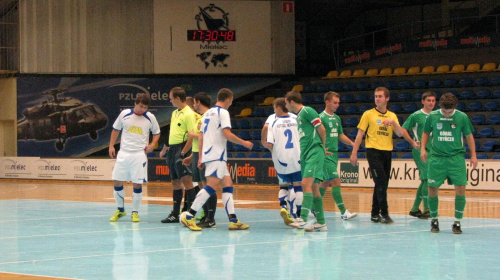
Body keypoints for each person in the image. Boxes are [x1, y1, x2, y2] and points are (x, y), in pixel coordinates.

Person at [180, 88, 253, 231]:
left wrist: (201, 157)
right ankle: (189, 216)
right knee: (211, 186)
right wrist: (244, 142)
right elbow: (227, 133)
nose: (230, 105)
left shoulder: (207, 114)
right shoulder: (223, 112)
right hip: (217, 155)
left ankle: (233, 219)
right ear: (228, 100)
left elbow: (201, 136)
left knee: (228, 185)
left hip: (210, 155)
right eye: (231, 102)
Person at [350, 87, 419, 224]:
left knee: (382, 184)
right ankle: (384, 213)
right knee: (380, 181)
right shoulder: (368, 114)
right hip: (373, 151)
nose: (377, 99)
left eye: (380, 96)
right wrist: (354, 153)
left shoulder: (392, 116)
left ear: (387, 98)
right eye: (376, 96)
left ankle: (374, 213)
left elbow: (400, 133)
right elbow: (360, 135)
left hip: (387, 152)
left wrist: (410, 141)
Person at [420, 93, 478, 234]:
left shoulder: (462, 117)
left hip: (456, 158)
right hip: (437, 158)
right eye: (445, 111)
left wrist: (474, 155)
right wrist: (423, 148)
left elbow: (469, 136)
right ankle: (434, 220)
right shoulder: (432, 116)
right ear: (440, 107)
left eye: (450, 112)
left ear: (454, 108)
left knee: (460, 189)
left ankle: (457, 222)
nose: (447, 114)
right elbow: (426, 132)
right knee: (432, 188)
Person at [109, 93, 160, 222]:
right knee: (117, 181)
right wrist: (111, 146)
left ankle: (135, 212)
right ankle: (120, 210)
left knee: (137, 184)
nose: (142, 109)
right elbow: (115, 130)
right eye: (140, 106)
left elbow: (157, 133)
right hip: (124, 153)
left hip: (139, 155)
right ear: (135, 104)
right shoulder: (125, 114)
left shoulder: (150, 117)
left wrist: (152, 144)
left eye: (145, 107)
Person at [285, 91, 328, 232]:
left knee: (305, 184)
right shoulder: (298, 117)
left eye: (286, 103)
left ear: (292, 102)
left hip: (314, 152)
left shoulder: (308, 111)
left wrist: (322, 147)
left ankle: (302, 219)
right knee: (314, 188)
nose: (285, 106)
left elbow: (322, 129)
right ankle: (321, 222)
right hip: (306, 154)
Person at [159, 87, 197, 223]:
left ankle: (189, 214)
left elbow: (192, 136)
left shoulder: (189, 114)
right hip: (173, 149)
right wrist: (167, 148)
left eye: (171, 98)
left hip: (182, 148)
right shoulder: (174, 113)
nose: (170, 100)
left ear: (177, 98)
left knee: (187, 181)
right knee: (174, 181)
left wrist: (182, 152)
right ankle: (175, 213)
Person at [318, 91, 357, 220]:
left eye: (338, 103)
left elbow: (340, 135)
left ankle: (314, 207)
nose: (337, 105)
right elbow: (317, 136)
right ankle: (343, 212)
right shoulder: (320, 118)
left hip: (334, 154)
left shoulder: (337, 118)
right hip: (326, 154)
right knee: (336, 181)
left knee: (324, 183)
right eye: (335, 103)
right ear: (327, 102)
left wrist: (351, 143)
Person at [182, 92, 218, 228]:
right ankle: (205, 216)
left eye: (195, 102)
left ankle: (211, 217)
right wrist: (192, 156)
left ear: (198, 102)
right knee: (201, 186)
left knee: (207, 186)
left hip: (206, 155)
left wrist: (192, 134)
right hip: (198, 153)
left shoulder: (207, 117)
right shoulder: (201, 118)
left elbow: (207, 136)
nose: (194, 105)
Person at [266, 97, 303, 226]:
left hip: (282, 161)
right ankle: (298, 216)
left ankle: (283, 206)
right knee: (298, 187)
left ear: (279, 108)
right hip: (297, 158)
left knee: (284, 186)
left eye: (274, 109)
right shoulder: (296, 119)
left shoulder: (274, 123)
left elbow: (269, 144)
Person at [402, 91, 437, 219]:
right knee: (428, 178)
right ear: (423, 101)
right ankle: (427, 208)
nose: (431, 103)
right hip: (420, 150)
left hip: (432, 151)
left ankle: (415, 209)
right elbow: (403, 129)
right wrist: (412, 142)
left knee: (425, 180)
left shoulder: (436, 115)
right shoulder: (416, 115)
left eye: (433, 100)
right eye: (429, 100)